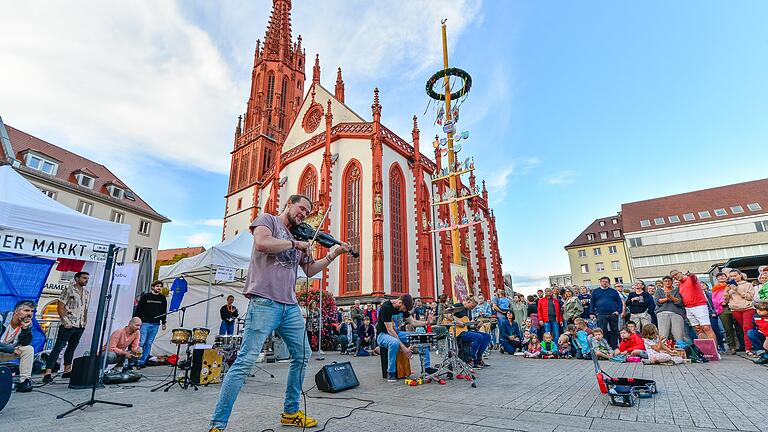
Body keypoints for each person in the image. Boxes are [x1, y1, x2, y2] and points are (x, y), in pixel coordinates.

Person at [208, 194, 351, 430]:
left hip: (290, 305)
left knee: (303, 355)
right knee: (245, 361)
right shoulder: (268, 221)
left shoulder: (300, 236)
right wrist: (295, 244)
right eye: (301, 208)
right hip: (264, 301)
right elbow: (263, 243)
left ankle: (290, 412)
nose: (304, 214)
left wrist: (332, 255)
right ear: (289, 204)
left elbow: (310, 270)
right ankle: (218, 424)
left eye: (307, 212)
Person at [43, 271, 90, 383]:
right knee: (58, 347)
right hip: (69, 323)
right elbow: (60, 306)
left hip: (80, 324)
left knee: (72, 347)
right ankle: (48, 372)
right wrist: (65, 321)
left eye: (87, 278)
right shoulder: (68, 290)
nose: (86, 280)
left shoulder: (86, 293)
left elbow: (85, 308)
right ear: (77, 278)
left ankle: (67, 370)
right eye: (84, 278)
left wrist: (85, 321)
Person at [376, 294, 432, 382]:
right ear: (400, 302)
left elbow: (413, 322)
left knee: (422, 337)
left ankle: (427, 368)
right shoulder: (386, 307)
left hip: (396, 333)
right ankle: (391, 372)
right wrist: (404, 348)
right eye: (404, 308)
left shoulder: (403, 308)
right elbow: (390, 330)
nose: (405, 311)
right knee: (394, 342)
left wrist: (427, 323)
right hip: (383, 335)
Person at [444, 297, 492, 369]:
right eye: (472, 306)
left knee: (487, 337)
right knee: (478, 337)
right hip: (457, 332)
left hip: (465, 331)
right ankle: (470, 359)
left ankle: (478, 359)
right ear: (468, 301)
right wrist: (458, 321)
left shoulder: (468, 311)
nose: (472, 308)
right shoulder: (458, 306)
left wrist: (477, 326)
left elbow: (467, 325)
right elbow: (446, 313)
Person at [670, 270, 717, 341]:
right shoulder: (680, 285)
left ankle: (714, 351)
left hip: (699, 306)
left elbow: (694, 277)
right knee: (698, 329)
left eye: (676, 274)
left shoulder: (690, 279)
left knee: (706, 327)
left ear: (680, 272)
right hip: (688, 308)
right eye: (673, 277)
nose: (675, 277)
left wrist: (691, 274)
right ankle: (707, 350)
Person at [0, 300, 35, 392]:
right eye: (26, 311)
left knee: (28, 349)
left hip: (4, 352)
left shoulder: (27, 324)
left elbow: (25, 343)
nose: (30, 314)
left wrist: (25, 329)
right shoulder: (1, 319)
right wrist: (11, 349)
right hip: (7, 349)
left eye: (32, 311)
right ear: (16, 311)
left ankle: (24, 381)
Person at [134, 280, 168, 368]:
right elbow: (139, 309)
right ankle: (134, 360)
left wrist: (163, 322)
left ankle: (142, 362)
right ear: (153, 287)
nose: (159, 288)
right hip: (144, 323)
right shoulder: (146, 296)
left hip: (155, 324)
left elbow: (164, 311)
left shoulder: (162, 298)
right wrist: (136, 321)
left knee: (149, 343)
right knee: (141, 342)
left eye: (160, 286)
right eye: (157, 286)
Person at [725, 269, 757, 356]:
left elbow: (750, 297)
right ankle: (749, 346)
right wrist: (726, 292)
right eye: (731, 276)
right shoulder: (729, 286)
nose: (733, 278)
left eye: (735, 275)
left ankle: (748, 349)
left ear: (740, 275)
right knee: (743, 329)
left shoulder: (748, 284)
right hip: (735, 309)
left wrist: (737, 289)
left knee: (747, 328)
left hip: (748, 308)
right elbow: (725, 300)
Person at [589, 277, 623, 348]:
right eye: (603, 281)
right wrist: (591, 313)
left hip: (613, 314)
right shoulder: (595, 291)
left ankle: (614, 346)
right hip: (601, 314)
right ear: (600, 282)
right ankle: (605, 346)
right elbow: (592, 303)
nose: (604, 283)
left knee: (614, 330)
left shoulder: (613, 291)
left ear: (609, 283)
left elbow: (619, 302)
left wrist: (618, 311)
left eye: (606, 281)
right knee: (603, 331)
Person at [655, 276, 686, 342]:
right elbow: (657, 301)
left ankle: (680, 350)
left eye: (669, 281)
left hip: (676, 313)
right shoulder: (659, 290)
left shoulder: (677, 289)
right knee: (663, 335)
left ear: (672, 282)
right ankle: (664, 351)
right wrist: (666, 299)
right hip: (662, 313)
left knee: (679, 335)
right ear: (663, 283)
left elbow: (679, 302)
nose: (667, 282)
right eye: (665, 281)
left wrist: (670, 297)